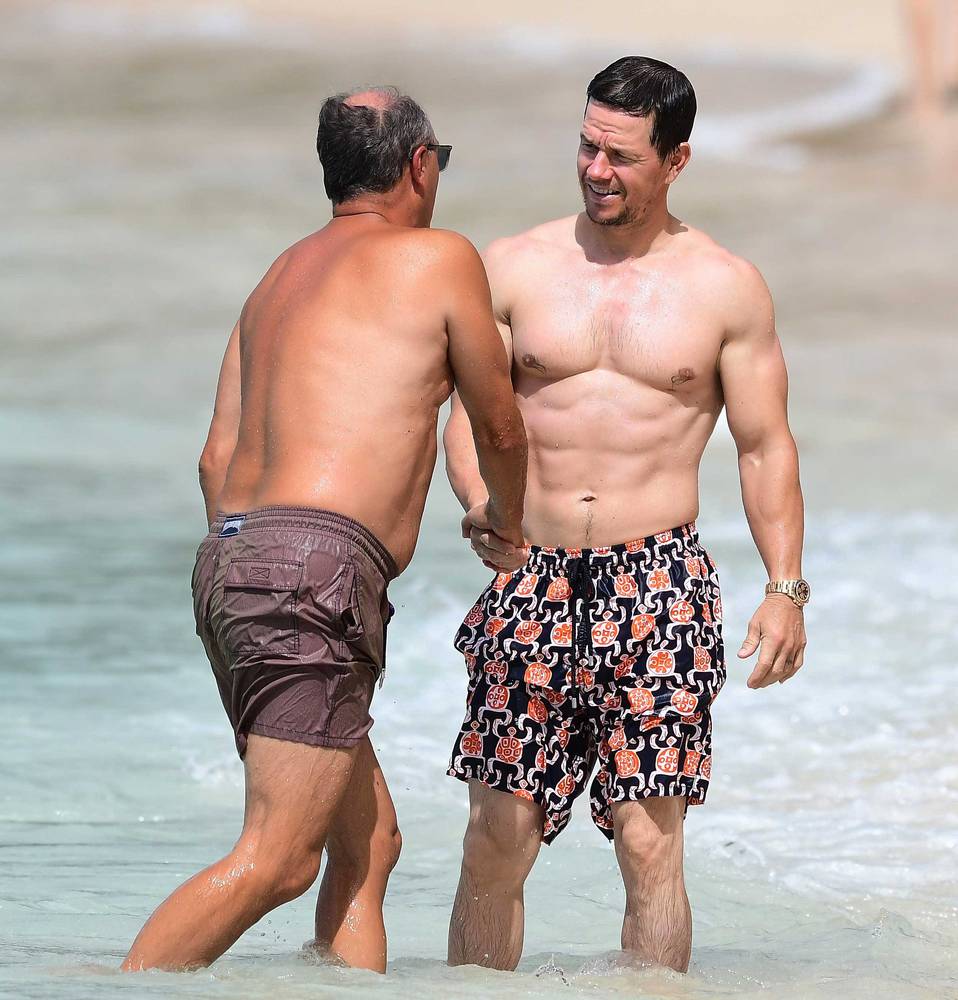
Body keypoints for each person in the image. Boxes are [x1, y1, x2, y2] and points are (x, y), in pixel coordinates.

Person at [122, 87, 527, 974]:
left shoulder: (278, 277)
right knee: (277, 859)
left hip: (232, 561)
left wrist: (261, 569)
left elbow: (214, 458)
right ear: (418, 165)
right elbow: (499, 424)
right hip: (313, 572)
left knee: (368, 844)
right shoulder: (439, 257)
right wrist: (508, 520)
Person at [443, 56, 808, 974]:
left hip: (660, 584)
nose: (596, 170)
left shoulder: (726, 286)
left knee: (649, 842)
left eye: (621, 156)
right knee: (497, 836)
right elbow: (468, 415)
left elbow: (764, 446)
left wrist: (785, 588)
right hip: (530, 572)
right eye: (586, 146)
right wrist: (482, 502)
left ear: (676, 160)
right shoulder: (515, 266)